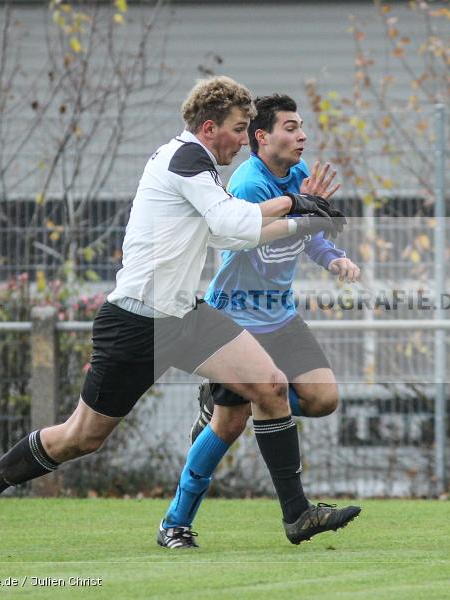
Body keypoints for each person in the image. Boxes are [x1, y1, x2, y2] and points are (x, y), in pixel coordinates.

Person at [0, 76, 359, 550]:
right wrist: (294, 202)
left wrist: (300, 218)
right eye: (240, 127)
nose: (245, 137)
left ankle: (297, 515)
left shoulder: (200, 165)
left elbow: (228, 236)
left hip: (184, 315)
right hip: (135, 321)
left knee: (270, 386)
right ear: (210, 128)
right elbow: (232, 223)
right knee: (81, 437)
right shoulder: (186, 158)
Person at [158, 93, 361, 550]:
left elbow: (309, 234)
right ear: (261, 137)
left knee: (324, 397)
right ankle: (174, 522)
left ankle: (248, 398)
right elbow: (260, 249)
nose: (302, 135)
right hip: (237, 317)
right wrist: (299, 209)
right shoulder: (250, 185)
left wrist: (332, 255)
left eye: (302, 126)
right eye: (290, 127)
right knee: (228, 427)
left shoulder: (299, 177)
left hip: (281, 316)